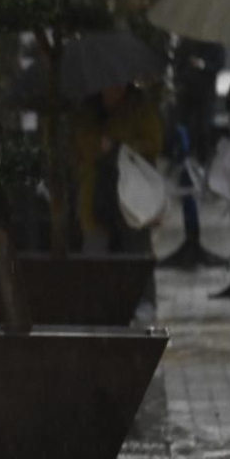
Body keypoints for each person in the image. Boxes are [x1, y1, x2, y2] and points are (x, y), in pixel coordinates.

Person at [71, 81, 164, 321]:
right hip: (96, 193)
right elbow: (79, 146)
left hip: (132, 193)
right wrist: (97, 146)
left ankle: (145, 301)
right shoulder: (88, 110)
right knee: (97, 248)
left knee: (136, 247)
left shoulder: (138, 106)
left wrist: (120, 147)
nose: (113, 90)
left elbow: (154, 143)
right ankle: (101, 303)